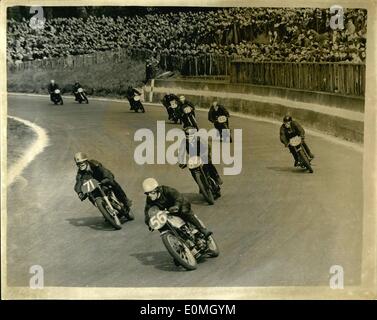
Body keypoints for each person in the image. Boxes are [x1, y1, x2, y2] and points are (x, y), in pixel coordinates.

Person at [142, 178, 212, 238]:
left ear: (157, 190)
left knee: (184, 211)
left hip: (179, 204)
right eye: (147, 194)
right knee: (163, 224)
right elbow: (147, 211)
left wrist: (176, 206)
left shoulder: (166, 190)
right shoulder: (149, 200)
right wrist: (149, 222)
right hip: (167, 211)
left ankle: (202, 230)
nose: (149, 195)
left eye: (151, 192)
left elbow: (177, 197)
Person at [178, 126, 223, 194]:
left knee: (208, 164)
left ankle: (216, 177)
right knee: (192, 169)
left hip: (203, 154)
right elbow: (181, 152)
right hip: (193, 157)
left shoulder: (199, 139)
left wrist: (205, 154)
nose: (189, 136)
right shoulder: (184, 142)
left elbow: (208, 147)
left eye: (190, 134)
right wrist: (181, 162)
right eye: (187, 134)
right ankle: (200, 185)